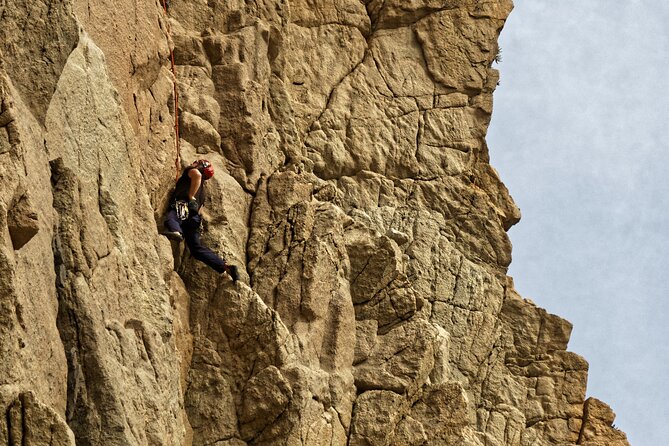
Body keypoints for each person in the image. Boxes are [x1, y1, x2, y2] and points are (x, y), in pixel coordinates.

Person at [163, 159, 239, 281]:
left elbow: (197, 174)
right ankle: (224, 267)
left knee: (173, 217)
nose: (194, 163)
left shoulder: (193, 172)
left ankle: (176, 230)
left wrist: (190, 197)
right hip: (194, 218)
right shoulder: (202, 192)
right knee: (196, 249)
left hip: (183, 205)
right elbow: (199, 209)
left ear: (201, 167)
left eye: (197, 163)